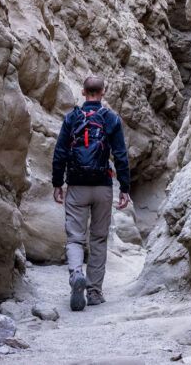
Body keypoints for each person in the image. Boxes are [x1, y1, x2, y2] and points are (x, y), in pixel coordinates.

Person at [51, 75, 131, 311]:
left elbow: (60, 153)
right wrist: (125, 188)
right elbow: (121, 155)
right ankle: (94, 292)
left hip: (76, 186)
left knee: (75, 237)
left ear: (84, 92)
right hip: (103, 186)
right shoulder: (110, 119)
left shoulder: (72, 118)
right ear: (103, 92)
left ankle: (76, 274)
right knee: (98, 238)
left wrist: (58, 184)